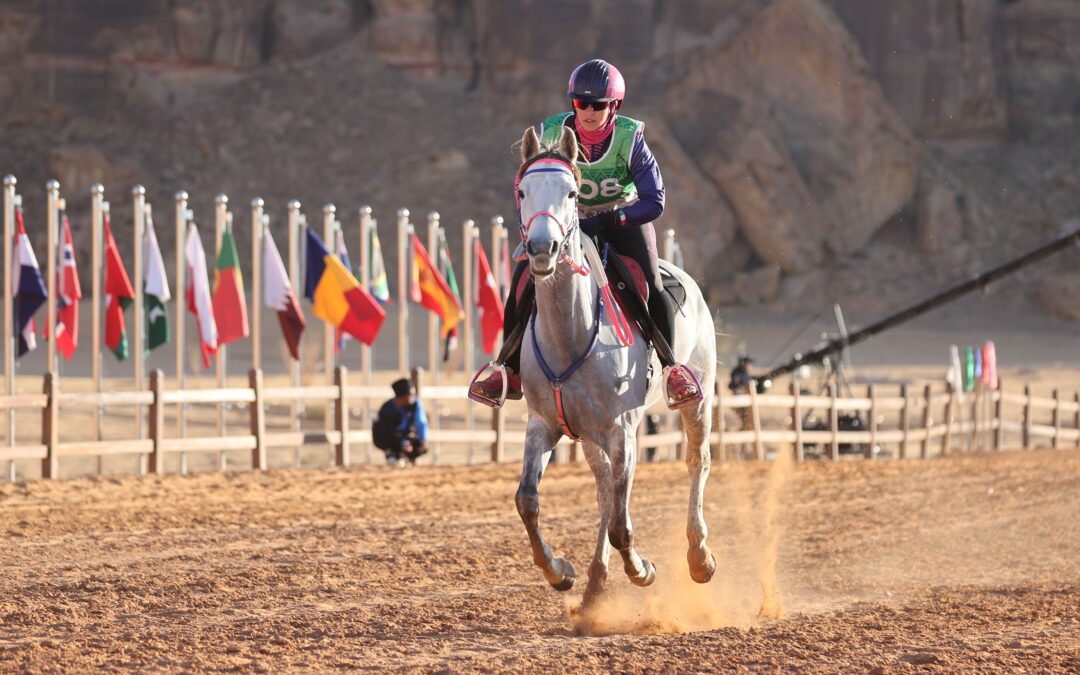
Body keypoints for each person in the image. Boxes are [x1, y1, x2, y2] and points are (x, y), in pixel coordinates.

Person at [469, 58, 702, 410]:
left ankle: (673, 370)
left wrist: (610, 219)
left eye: (598, 105)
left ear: (614, 106)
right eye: (581, 103)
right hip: (566, 222)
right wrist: (534, 223)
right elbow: (524, 183)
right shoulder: (550, 133)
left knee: (652, 282)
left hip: (623, 218)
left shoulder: (629, 137)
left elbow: (655, 201)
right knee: (521, 283)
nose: (589, 112)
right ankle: (507, 370)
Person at [372, 378, 428, 466]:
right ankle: (391, 454)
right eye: (409, 395)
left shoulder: (415, 404)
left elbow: (421, 423)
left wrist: (423, 441)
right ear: (400, 397)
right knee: (383, 429)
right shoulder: (387, 409)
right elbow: (389, 431)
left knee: (420, 445)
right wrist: (403, 443)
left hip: (407, 436)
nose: (411, 397)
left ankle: (408, 458)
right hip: (392, 438)